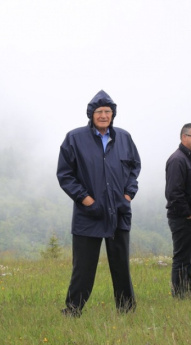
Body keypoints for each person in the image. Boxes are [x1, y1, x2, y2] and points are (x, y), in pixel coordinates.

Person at [57, 90, 141, 316]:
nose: (104, 115)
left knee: (121, 265)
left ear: (113, 114)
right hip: (89, 213)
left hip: (119, 212)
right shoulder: (75, 138)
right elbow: (65, 175)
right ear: (91, 114)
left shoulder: (124, 137)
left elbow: (134, 168)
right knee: (83, 268)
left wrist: (128, 196)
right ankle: (73, 311)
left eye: (108, 112)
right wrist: (86, 200)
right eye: (99, 112)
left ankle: (127, 311)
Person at [165, 123, 191, 298]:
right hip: (183, 218)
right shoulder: (177, 159)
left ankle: (186, 294)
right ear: (184, 137)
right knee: (182, 258)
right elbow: (173, 192)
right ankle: (181, 296)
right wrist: (187, 213)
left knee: (189, 258)